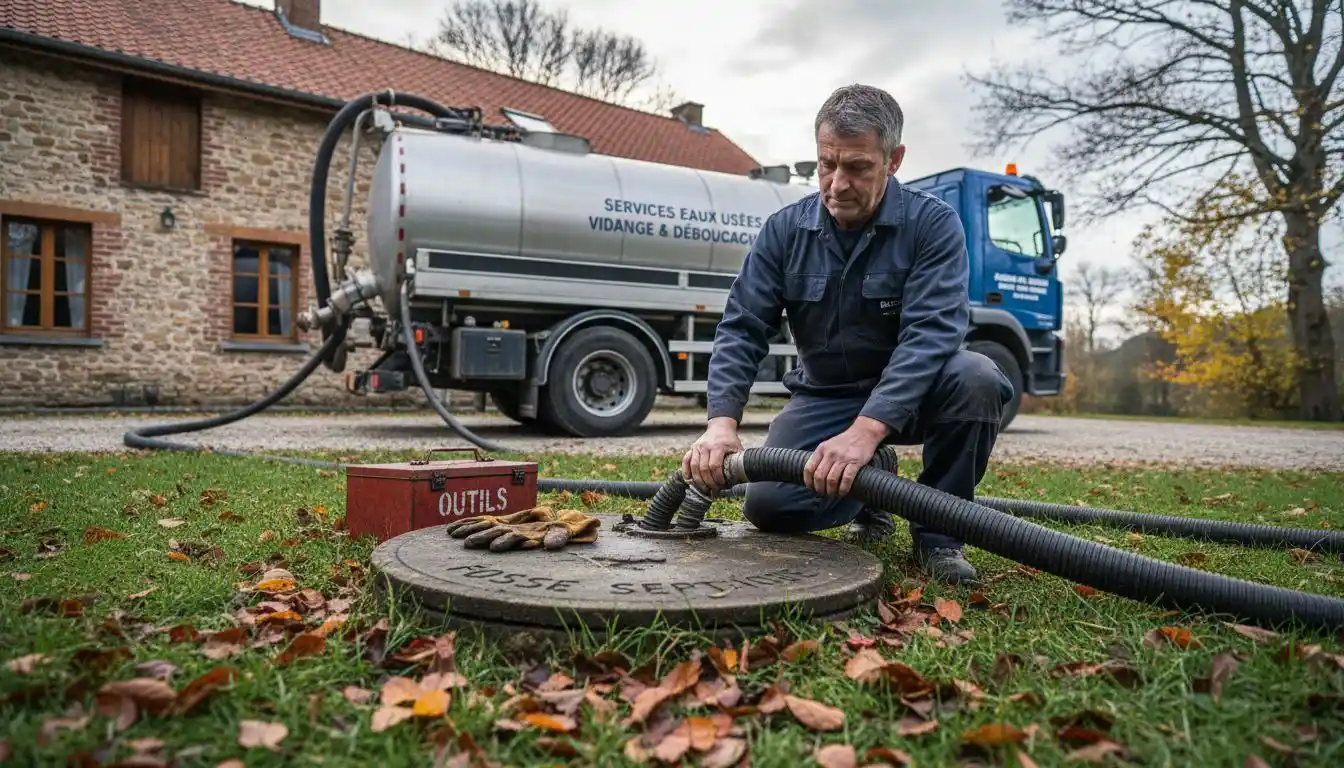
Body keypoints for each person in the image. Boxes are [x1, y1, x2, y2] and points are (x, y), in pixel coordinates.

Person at [681, 83, 1013, 585]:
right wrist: (721, 423)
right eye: (825, 164)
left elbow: (930, 335)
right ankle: (874, 484)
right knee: (771, 508)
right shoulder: (784, 231)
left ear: (894, 159)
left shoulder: (933, 226)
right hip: (828, 395)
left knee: (977, 376)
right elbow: (742, 326)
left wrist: (866, 430)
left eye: (857, 167)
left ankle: (939, 538)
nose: (837, 184)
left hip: (918, 393)